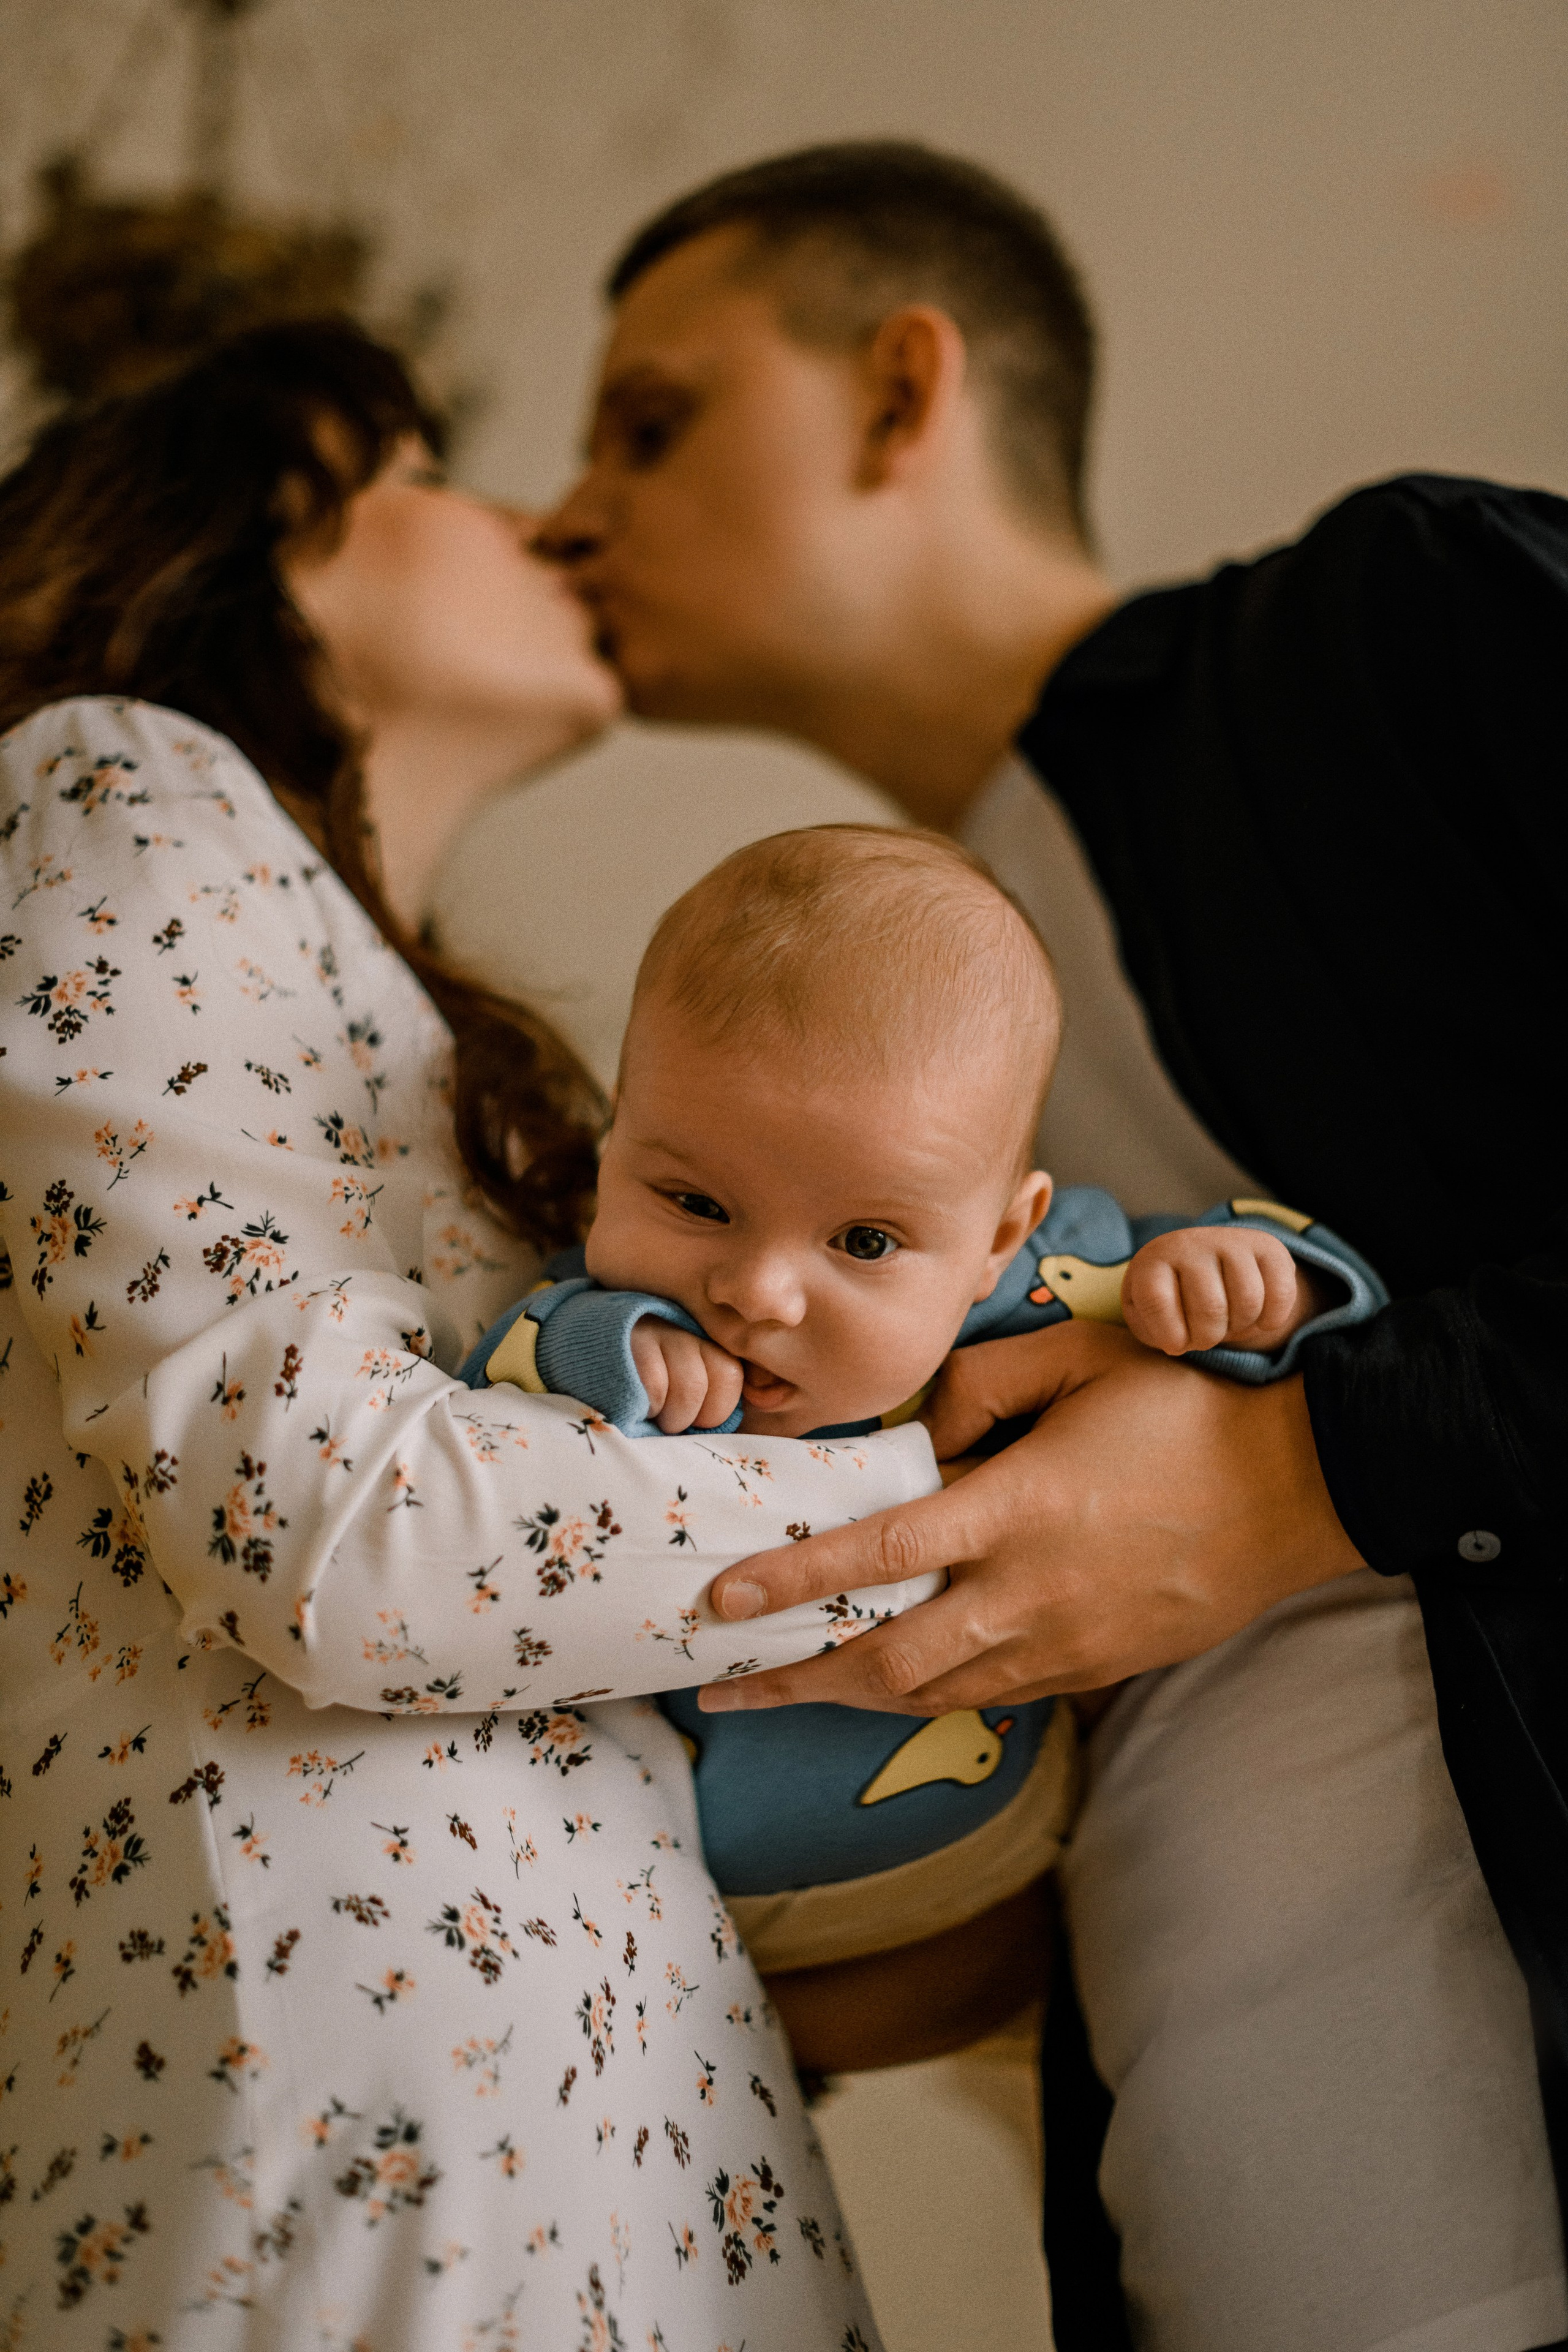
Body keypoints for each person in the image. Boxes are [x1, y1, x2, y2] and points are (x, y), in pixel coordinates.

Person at [539, 142, 1568, 2352]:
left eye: (653, 421)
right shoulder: (808, 1069)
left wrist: (1309, 1473)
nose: (567, 518)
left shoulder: (1399, 625)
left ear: (902, 394)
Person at [0, 320, 950, 2350]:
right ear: (248, 534)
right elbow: (343, 1534)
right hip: (346, 2127)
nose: (537, 518)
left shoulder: (411, 1034)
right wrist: (946, 1491)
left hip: (608, 2146)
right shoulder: (112, 780)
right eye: (428, 465)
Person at [458, 821, 1382, 2078]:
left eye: (865, 1242)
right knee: (675, 2046)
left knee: (968, 1991)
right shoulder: (622, 1320)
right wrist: (603, 1350)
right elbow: (499, 1374)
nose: (758, 1290)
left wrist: (1246, 1284)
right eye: (694, 1203)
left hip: (967, 1869)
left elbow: (1334, 1335)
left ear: (1001, 1237)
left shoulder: (1044, 1291)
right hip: (667, 1882)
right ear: (619, 1142)